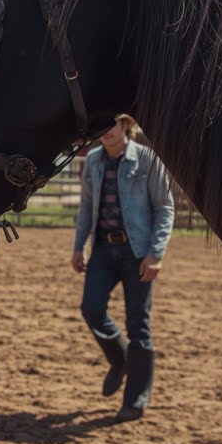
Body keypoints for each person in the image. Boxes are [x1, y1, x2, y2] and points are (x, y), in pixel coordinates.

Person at [72, 114, 175, 422]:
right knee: (91, 308)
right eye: (101, 126)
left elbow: (165, 207)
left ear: (126, 125)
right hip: (103, 248)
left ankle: (136, 399)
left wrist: (156, 253)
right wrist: (79, 246)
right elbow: (86, 206)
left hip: (137, 252)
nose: (105, 131)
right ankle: (120, 359)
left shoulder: (147, 159)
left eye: (111, 124)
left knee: (138, 324)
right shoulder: (93, 161)